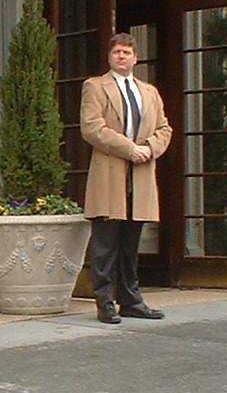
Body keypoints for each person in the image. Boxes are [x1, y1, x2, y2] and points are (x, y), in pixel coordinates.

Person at [80, 33, 172, 324]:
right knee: (105, 244)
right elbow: (92, 128)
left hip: (141, 174)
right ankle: (105, 302)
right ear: (109, 57)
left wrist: (149, 149)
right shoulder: (95, 86)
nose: (122, 56)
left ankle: (131, 300)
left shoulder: (149, 92)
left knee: (131, 244)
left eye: (127, 52)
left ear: (136, 58)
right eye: (117, 52)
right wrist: (129, 148)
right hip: (109, 172)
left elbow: (164, 128)